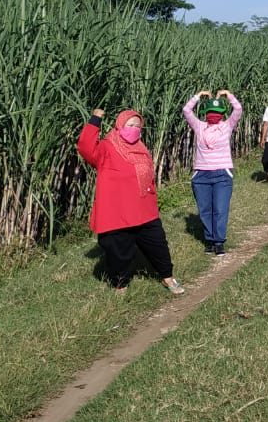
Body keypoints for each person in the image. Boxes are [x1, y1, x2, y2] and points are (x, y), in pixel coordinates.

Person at [78, 107, 185, 294]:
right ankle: (121, 285)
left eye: (137, 125)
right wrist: (95, 120)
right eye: (130, 124)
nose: (134, 128)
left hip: (144, 210)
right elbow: (85, 148)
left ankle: (167, 277)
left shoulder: (141, 148)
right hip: (117, 211)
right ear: (120, 125)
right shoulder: (107, 147)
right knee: (118, 251)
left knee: (158, 245)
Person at [183, 88, 243, 256]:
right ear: (205, 113)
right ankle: (209, 239)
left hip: (222, 175)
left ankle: (219, 242)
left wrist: (227, 94)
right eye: (210, 111)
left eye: (217, 112)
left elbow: (238, 109)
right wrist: (198, 96)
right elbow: (186, 110)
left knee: (220, 208)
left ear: (222, 114)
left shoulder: (227, 126)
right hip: (201, 175)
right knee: (205, 209)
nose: (213, 115)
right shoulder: (199, 126)